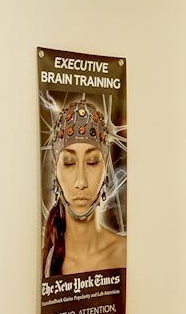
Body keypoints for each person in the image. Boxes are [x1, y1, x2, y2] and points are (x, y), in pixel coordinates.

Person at [42, 98, 127, 276]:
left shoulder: (126, 253)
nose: (81, 182)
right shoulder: (42, 259)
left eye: (92, 162)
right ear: (54, 169)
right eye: (69, 162)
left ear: (106, 168)